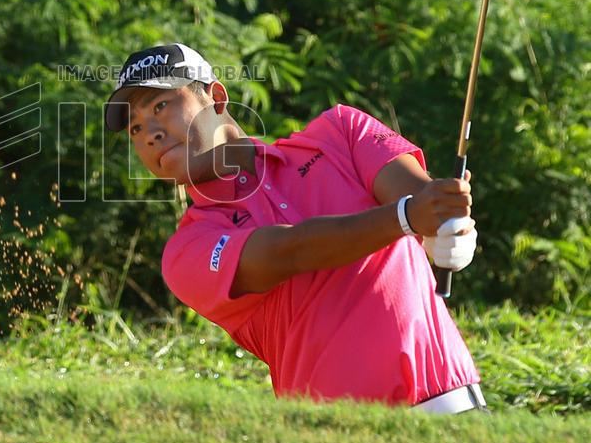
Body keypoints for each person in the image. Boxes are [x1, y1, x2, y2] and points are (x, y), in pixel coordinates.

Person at [105, 43, 486, 414]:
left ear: (217, 98)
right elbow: (288, 251)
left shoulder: (342, 132)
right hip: (330, 440)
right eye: (135, 129)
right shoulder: (187, 249)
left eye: (161, 106)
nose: (150, 132)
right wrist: (408, 218)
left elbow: (419, 196)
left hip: (446, 403)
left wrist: (448, 227)